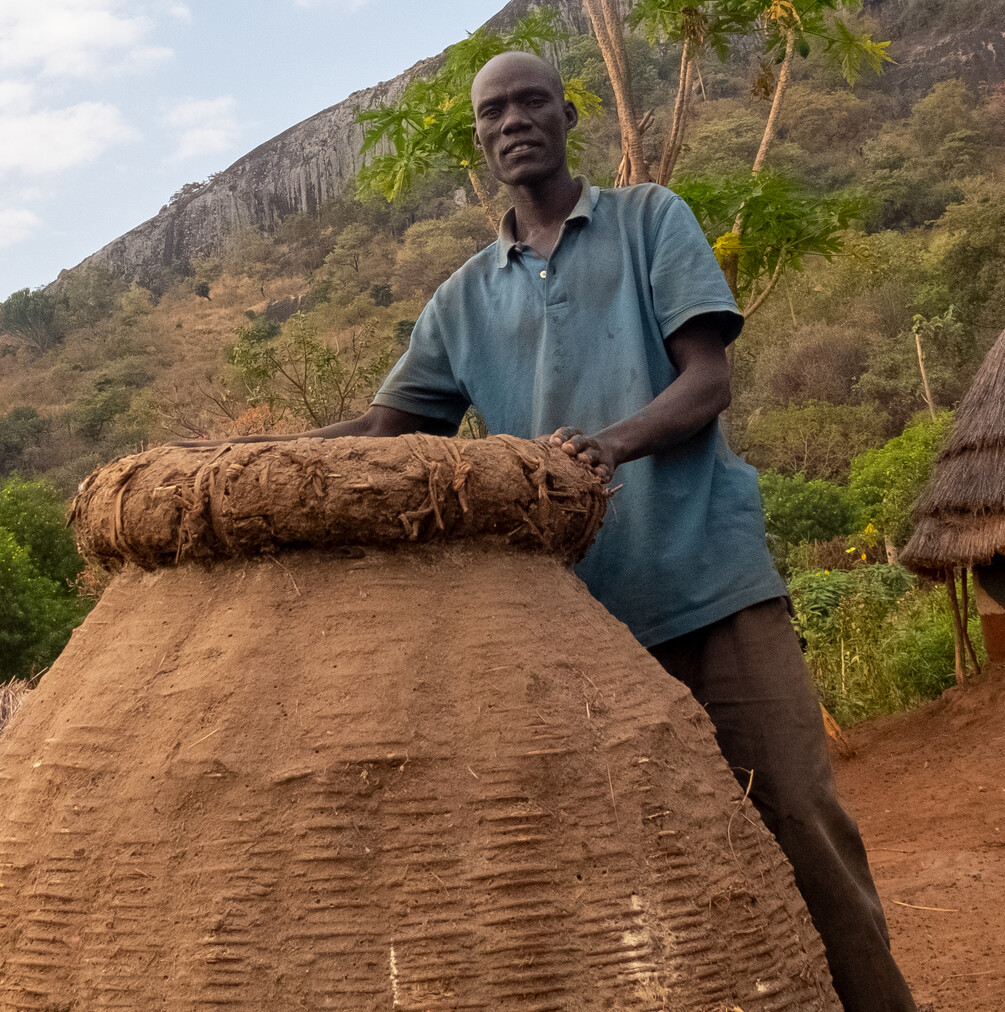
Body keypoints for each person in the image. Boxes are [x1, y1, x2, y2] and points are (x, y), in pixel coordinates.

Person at [234, 50, 916, 1012]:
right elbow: (387, 435)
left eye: (529, 101)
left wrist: (607, 446)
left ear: (565, 114)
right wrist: (249, 458)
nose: (512, 120)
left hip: (710, 587)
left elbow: (706, 381)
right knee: (614, 870)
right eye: (492, 111)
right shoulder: (464, 299)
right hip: (576, 633)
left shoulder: (649, 221)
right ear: (478, 139)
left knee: (799, 820)